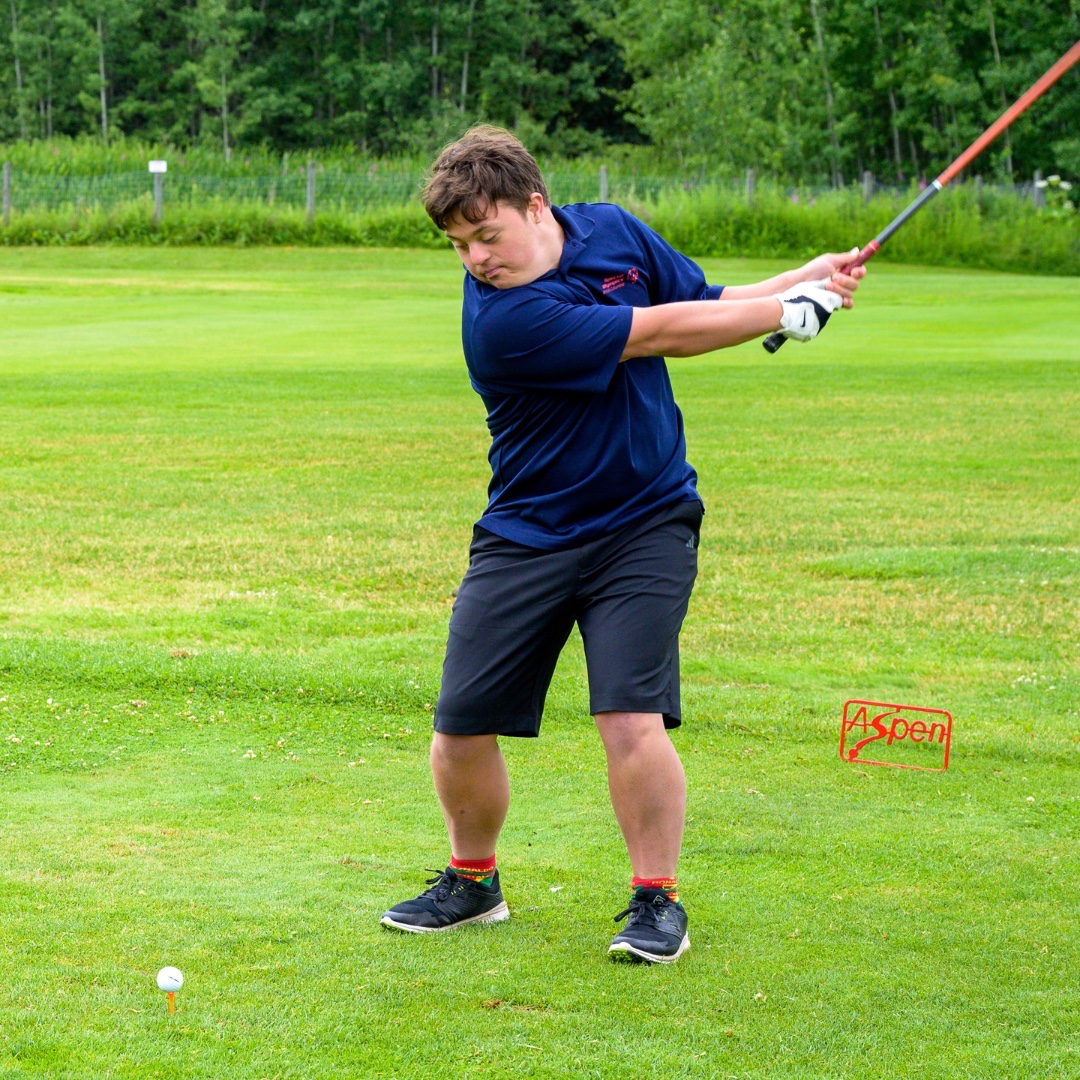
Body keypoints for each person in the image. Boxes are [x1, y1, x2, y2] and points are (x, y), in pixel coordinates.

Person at [380, 125, 864, 963]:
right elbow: (656, 333)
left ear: (538, 206)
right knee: (460, 727)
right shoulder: (507, 321)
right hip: (527, 533)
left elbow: (702, 300)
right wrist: (787, 314)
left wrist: (803, 279)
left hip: (646, 520)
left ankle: (656, 900)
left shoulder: (611, 228)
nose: (475, 260)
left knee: (629, 719)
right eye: (457, 246)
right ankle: (473, 881)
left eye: (485, 236)